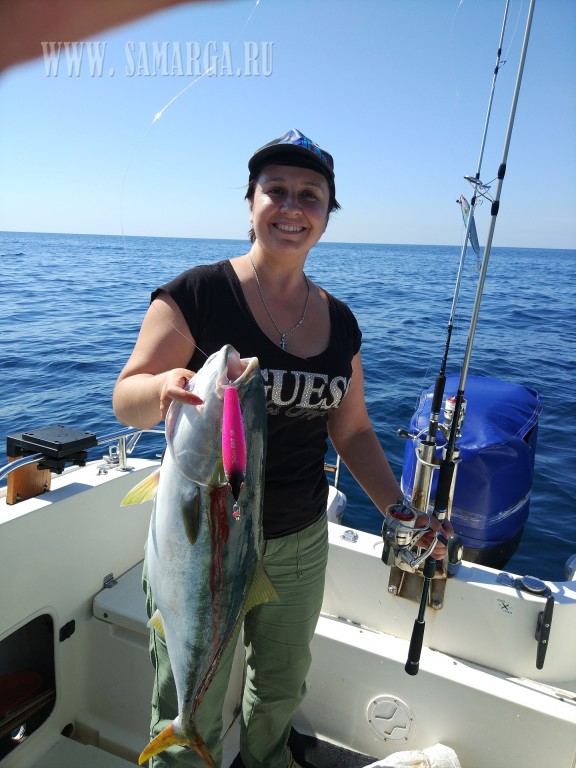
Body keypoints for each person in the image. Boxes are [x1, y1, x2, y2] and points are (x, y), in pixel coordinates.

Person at [113, 128, 452, 768]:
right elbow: (125, 396)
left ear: (327, 214)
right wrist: (161, 387)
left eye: (310, 195)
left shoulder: (340, 320)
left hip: (298, 539)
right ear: (250, 203)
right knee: (187, 695)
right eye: (276, 190)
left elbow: (352, 430)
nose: (292, 207)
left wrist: (400, 511)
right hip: (200, 539)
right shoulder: (197, 294)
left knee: (280, 686)